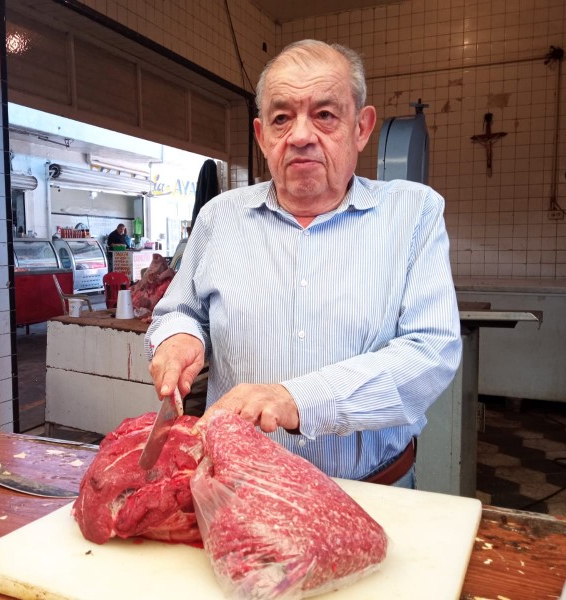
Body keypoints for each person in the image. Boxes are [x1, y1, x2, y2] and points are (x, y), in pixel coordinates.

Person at [145, 39, 462, 488]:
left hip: (371, 489)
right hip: (239, 487)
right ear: (262, 136)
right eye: (281, 118)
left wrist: (297, 399)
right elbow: (181, 310)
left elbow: (431, 352)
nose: (299, 135)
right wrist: (177, 338)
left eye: (325, 115)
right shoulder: (219, 217)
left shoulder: (413, 214)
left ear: (361, 127)